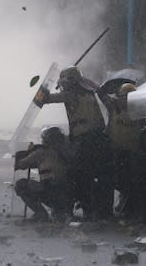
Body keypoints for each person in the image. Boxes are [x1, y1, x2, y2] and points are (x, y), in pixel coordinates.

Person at [42, 66, 113, 219]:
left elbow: (46, 99)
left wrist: (42, 91)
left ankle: (88, 209)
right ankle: (105, 211)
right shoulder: (91, 92)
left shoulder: (71, 95)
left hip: (85, 141)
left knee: (81, 175)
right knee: (102, 176)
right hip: (100, 138)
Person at [98, 82, 146, 220]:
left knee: (134, 180)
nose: (123, 100)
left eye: (126, 97)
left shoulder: (140, 111)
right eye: (121, 97)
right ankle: (120, 206)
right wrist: (101, 89)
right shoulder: (114, 109)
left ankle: (134, 209)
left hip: (133, 152)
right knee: (117, 180)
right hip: (117, 151)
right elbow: (103, 96)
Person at [14, 126, 72, 222]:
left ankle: (40, 213)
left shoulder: (42, 152)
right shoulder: (67, 153)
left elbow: (21, 164)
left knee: (21, 185)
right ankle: (61, 212)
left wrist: (29, 152)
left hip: (51, 192)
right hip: (68, 195)